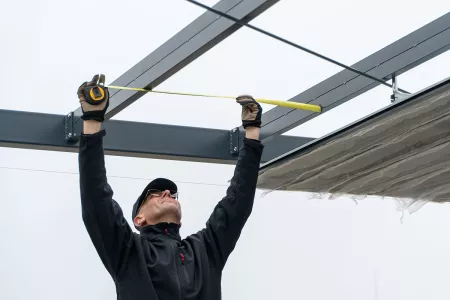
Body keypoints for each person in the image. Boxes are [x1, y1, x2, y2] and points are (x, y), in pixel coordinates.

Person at [77, 75, 265, 300]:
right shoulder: (128, 253)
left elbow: (237, 203)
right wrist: (92, 121)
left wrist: (252, 132)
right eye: (154, 194)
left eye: (171, 193)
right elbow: (97, 203)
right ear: (139, 220)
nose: (166, 193)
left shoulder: (205, 250)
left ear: (180, 220)